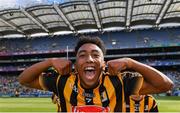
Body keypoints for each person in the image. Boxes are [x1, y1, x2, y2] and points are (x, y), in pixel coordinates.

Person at [18, 36, 173, 112]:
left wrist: (130, 62)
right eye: (82, 55)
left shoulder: (120, 81)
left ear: (104, 64)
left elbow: (165, 85)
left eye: (95, 55)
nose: (89, 59)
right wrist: (50, 61)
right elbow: (24, 79)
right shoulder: (63, 81)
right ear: (76, 65)